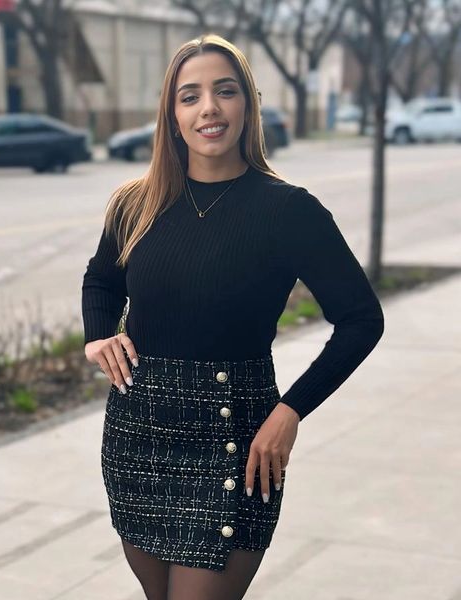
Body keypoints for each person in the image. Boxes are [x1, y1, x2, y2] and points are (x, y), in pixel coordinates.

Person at [81, 33, 384, 600]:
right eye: (190, 96)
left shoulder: (290, 210)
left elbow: (361, 320)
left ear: (248, 104)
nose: (209, 108)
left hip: (236, 437)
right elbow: (101, 279)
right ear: (172, 116)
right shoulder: (134, 204)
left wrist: (290, 411)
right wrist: (98, 335)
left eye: (225, 91)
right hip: (138, 435)